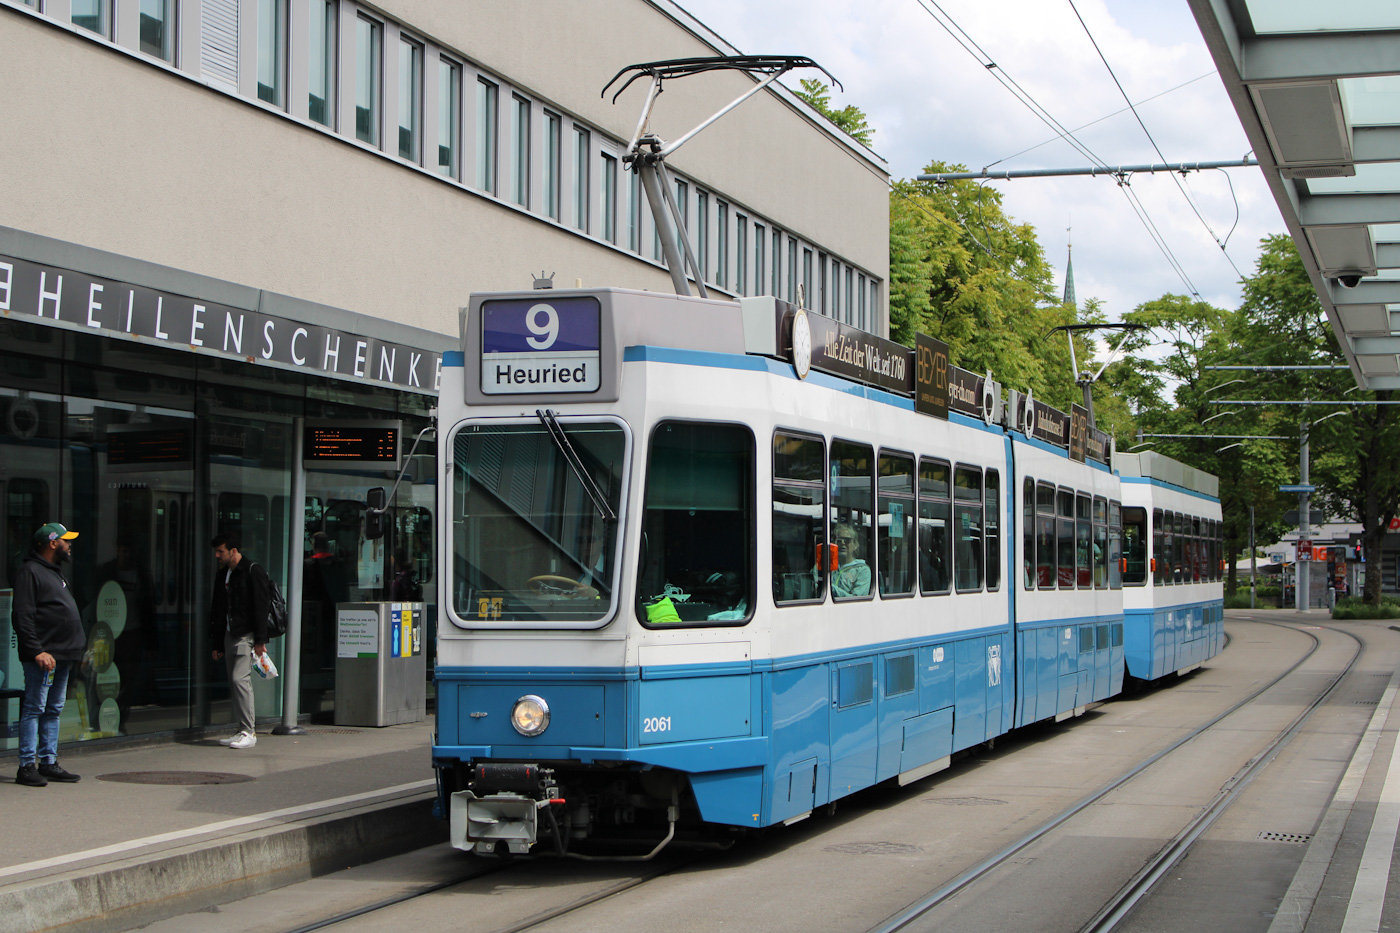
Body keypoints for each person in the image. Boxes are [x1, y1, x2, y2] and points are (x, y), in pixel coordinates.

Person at [12, 522, 84, 787]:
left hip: (63, 653)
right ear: (53, 543)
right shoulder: (30, 572)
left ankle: (48, 761)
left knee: (54, 708)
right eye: (66, 540)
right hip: (45, 656)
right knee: (35, 707)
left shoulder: (54, 572)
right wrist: (37, 651)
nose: (70, 545)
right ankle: (27, 766)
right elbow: (22, 616)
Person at [208, 531, 271, 750]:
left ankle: (248, 731)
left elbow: (261, 607)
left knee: (239, 680)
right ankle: (242, 728)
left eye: (221, 551)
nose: (217, 555)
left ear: (233, 551)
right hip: (229, 634)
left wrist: (261, 640)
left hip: (246, 635)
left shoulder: (252, 571)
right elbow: (218, 609)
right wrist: (217, 643)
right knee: (235, 682)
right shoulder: (223, 574)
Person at [824, 523, 872, 598]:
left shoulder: (862, 570)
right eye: (839, 540)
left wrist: (829, 587)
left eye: (847, 540)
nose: (842, 543)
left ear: (855, 545)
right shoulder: (828, 565)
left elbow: (856, 599)